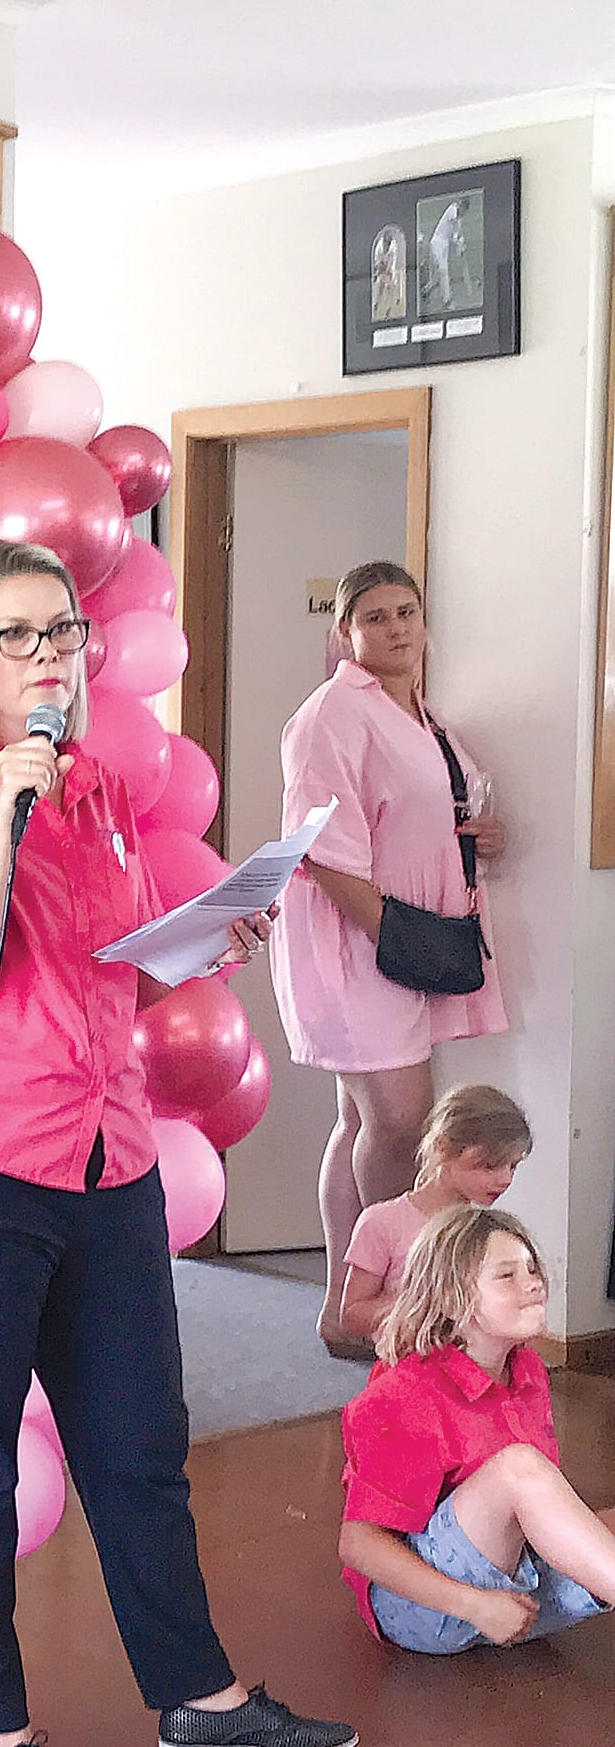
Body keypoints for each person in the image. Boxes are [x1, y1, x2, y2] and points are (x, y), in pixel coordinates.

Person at [0, 540, 356, 1747]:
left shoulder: (107, 791)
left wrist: (207, 943)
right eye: (18, 637)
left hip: (106, 1153)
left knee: (139, 1448)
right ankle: (2, 1742)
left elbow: (98, 980)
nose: (47, 661)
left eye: (64, 635)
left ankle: (200, 1699)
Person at [267, 560, 508, 1357]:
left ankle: (345, 1310)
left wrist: (485, 838)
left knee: (360, 1118)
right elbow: (323, 855)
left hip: (404, 940)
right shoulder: (329, 716)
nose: (395, 627)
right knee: (402, 1123)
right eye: (374, 617)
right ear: (345, 632)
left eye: (406, 611)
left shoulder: (424, 717)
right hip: (359, 940)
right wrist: (398, 941)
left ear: (425, 620)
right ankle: (394, 1299)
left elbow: (442, 810)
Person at [338, 1205, 614, 1654]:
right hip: (425, 1609)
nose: (534, 1284)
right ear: (451, 1300)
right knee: (520, 1468)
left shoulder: (526, 1371)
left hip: (506, 1581)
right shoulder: (405, 1393)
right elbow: (359, 1545)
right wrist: (474, 1605)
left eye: (531, 1268)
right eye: (506, 1276)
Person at [339, 1085, 530, 1344]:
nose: (506, 1179)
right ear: (443, 1146)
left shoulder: (488, 1233)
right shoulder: (383, 1223)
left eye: (513, 1166)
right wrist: (424, 1302)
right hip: (409, 1372)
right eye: (490, 1166)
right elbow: (352, 1317)